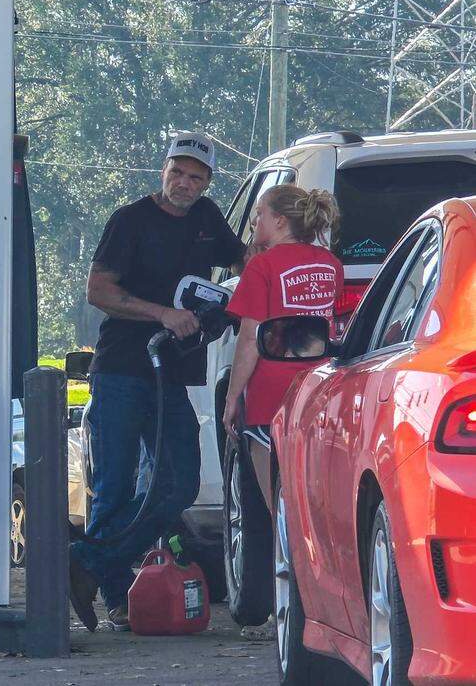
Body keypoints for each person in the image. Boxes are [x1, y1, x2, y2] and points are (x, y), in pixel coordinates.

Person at [70, 131, 246, 632]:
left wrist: (245, 292)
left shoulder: (208, 218)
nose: (185, 184)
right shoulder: (130, 220)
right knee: (114, 486)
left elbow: (242, 260)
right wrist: (162, 314)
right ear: (163, 169)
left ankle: (84, 562)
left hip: (173, 375)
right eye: (178, 172)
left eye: (196, 176)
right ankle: (113, 593)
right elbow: (99, 290)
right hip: (123, 369)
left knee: (179, 481)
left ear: (208, 181)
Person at [222, 185, 343, 435]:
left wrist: (231, 397)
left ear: (279, 220)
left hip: (272, 393)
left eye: (260, 213)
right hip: (320, 387)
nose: (255, 221)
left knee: (272, 473)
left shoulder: (261, 266)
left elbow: (248, 339)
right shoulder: (330, 263)